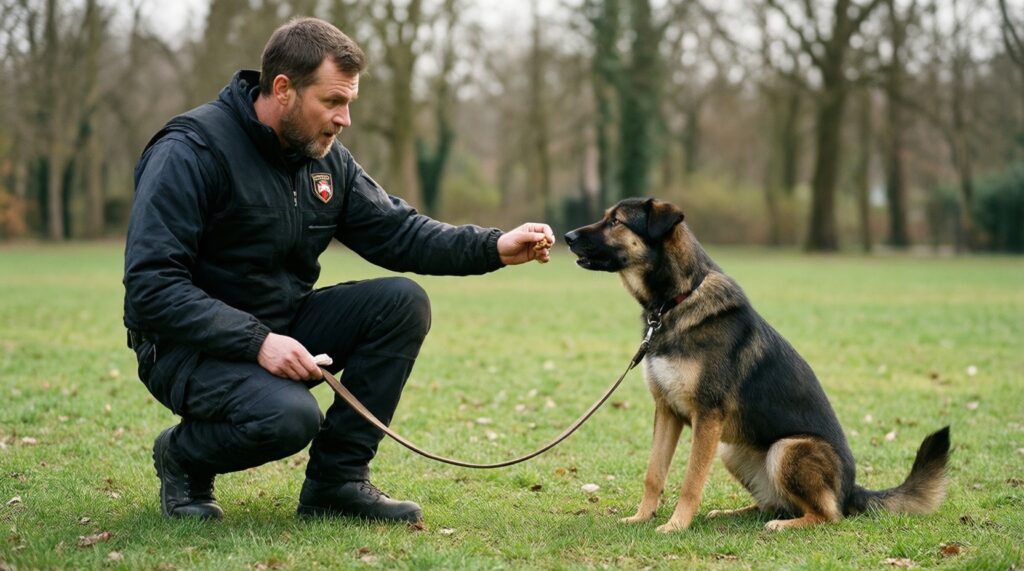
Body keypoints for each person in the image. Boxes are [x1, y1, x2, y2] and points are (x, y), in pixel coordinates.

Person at [123, 16, 554, 524]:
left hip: (283, 325)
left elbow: (399, 232)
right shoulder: (189, 151)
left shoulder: (326, 161)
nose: (345, 118)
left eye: (349, 102)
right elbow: (151, 288)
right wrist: (257, 341)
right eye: (332, 102)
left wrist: (495, 246)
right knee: (288, 417)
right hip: (186, 348)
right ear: (282, 89)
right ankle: (183, 456)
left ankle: (337, 483)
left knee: (400, 302)